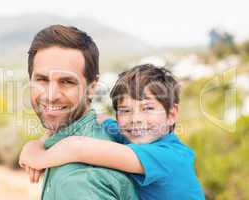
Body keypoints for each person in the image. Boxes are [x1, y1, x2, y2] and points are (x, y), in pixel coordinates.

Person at [20, 64, 205, 200]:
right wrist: (33, 145)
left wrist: (38, 158)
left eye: (148, 108)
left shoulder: (169, 157)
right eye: (125, 110)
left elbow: (78, 147)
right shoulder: (132, 134)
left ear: (171, 114)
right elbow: (97, 118)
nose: (135, 119)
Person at [18, 24, 138, 200]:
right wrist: (35, 147)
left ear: (92, 88)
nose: (51, 96)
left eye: (67, 82)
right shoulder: (99, 130)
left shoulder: (79, 182)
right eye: (42, 80)